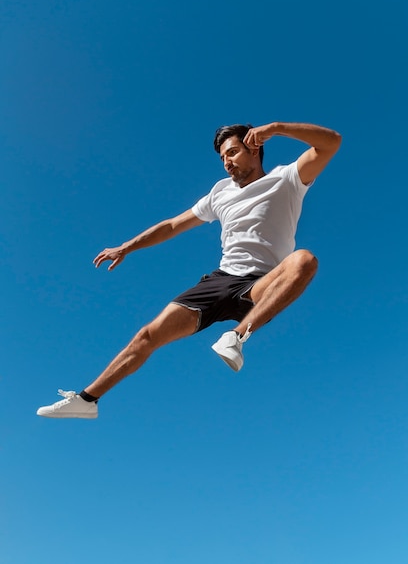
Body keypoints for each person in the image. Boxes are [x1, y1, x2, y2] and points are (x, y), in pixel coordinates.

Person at [37, 121, 341, 419]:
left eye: (233, 153)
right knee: (147, 335)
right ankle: (87, 400)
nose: (227, 163)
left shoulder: (287, 178)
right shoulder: (220, 193)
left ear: (254, 148)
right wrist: (127, 246)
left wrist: (277, 128)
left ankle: (236, 336)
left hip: (263, 284)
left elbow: (331, 143)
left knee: (304, 260)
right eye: (222, 157)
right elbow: (172, 225)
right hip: (222, 280)